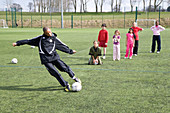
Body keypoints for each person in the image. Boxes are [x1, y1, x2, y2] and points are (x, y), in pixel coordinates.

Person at [12, 27, 81, 92]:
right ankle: (65, 84)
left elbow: (61, 46)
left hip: (54, 57)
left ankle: (74, 78)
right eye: (48, 33)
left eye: (50, 32)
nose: (50, 34)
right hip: (46, 60)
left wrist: (70, 51)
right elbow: (28, 41)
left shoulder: (53, 38)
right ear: (44, 33)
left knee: (64, 68)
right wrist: (17, 43)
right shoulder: (40, 39)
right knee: (55, 73)